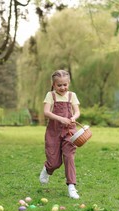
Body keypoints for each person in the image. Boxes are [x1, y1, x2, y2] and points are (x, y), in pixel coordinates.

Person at [39, 69, 81, 199]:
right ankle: (47, 169)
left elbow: (77, 111)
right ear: (53, 84)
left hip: (69, 131)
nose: (62, 87)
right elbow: (46, 112)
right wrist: (60, 118)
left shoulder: (72, 95)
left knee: (69, 157)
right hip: (54, 131)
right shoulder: (50, 95)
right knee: (55, 162)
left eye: (65, 84)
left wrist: (73, 117)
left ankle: (71, 186)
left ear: (68, 83)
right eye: (59, 85)